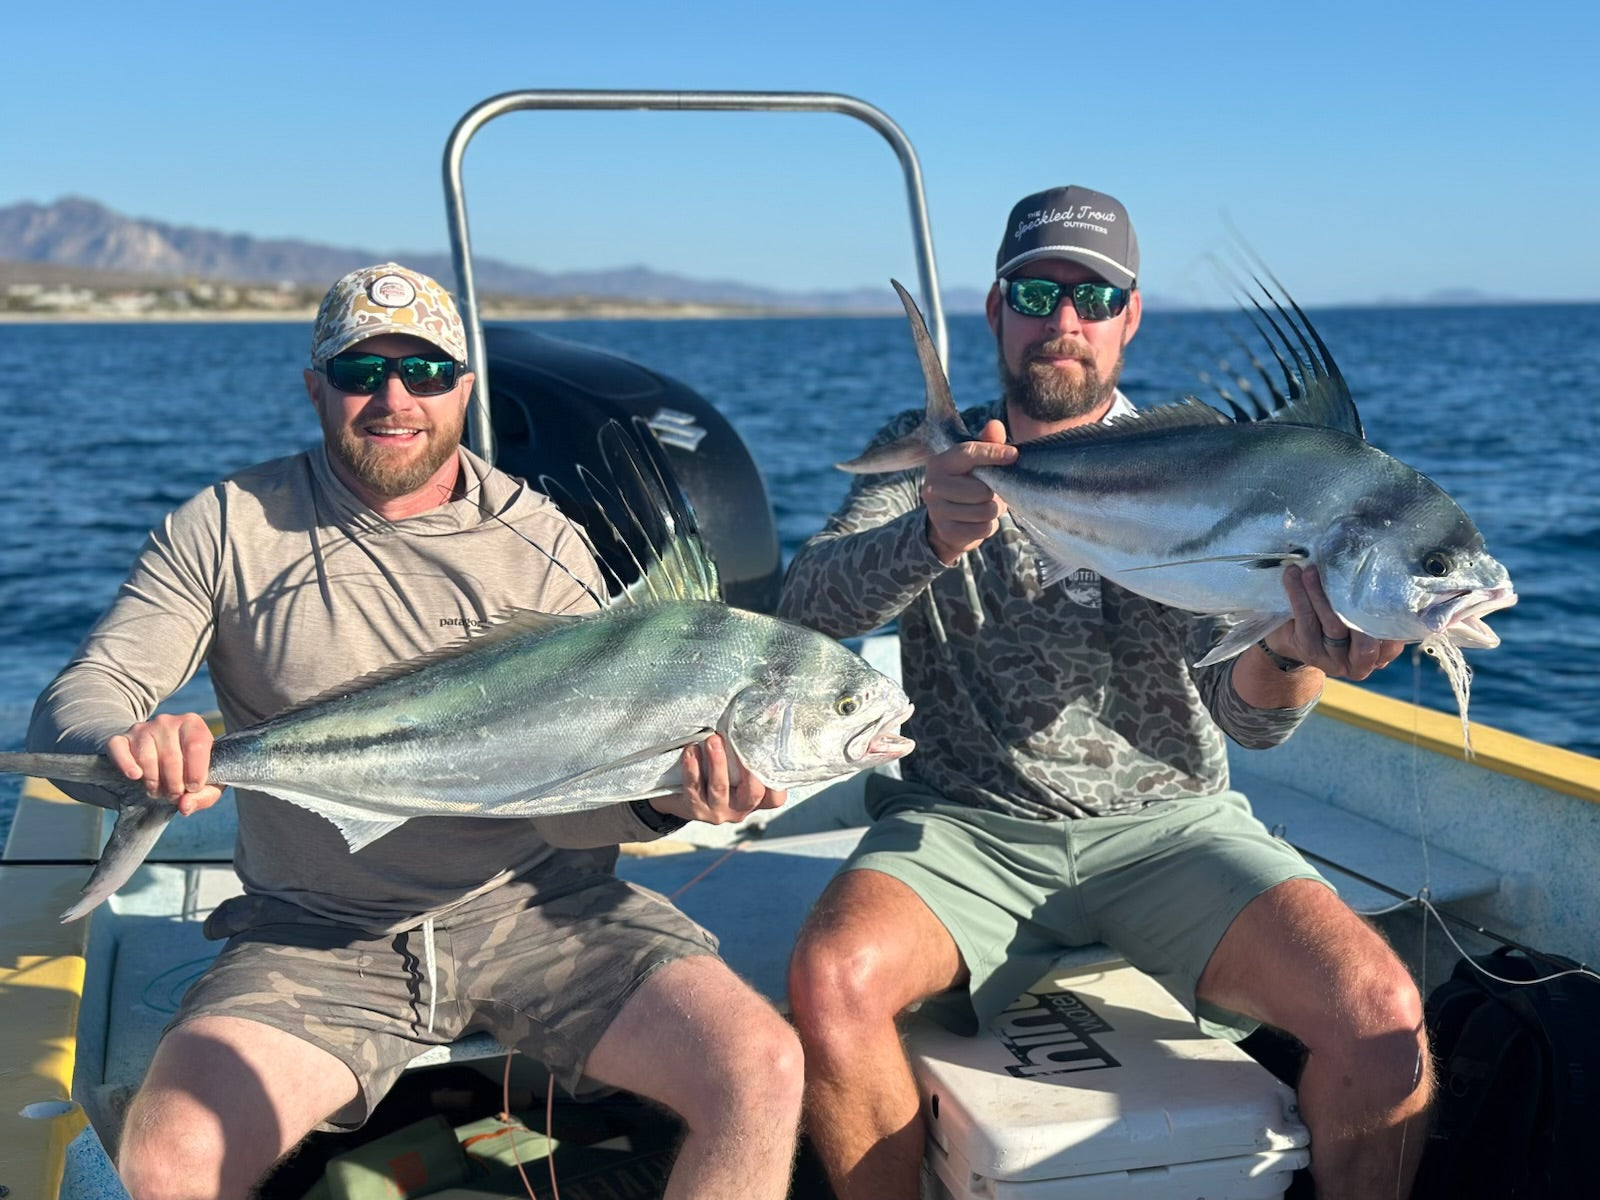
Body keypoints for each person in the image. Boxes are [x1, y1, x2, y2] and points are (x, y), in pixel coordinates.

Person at [27, 262, 803, 1200]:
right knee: (168, 1158)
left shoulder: (544, 542)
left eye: (427, 372)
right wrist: (123, 746)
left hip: (540, 908)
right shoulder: (227, 528)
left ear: (465, 389)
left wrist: (659, 802)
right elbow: (88, 693)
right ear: (315, 385)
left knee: (760, 1069)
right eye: (361, 371)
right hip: (318, 932)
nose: (394, 399)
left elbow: (573, 807)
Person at [779, 187, 1432, 1200]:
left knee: (1383, 1019)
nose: (1064, 322)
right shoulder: (930, 449)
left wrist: (1301, 648)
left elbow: (1249, 722)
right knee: (831, 981)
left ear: (1130, 317)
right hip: (966, 828)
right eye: (1037, 292)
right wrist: (930, 532)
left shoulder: (1204, 462)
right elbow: (804, 609)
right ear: (995, 311)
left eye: (1095, 297)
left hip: (1170, 832)